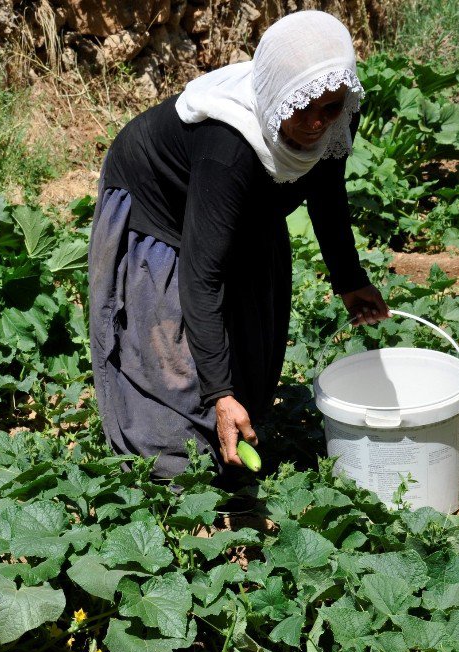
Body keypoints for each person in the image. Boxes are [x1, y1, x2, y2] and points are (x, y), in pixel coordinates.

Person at [88, 11, 387, 480]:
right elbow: (201, 277)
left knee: (247, 331)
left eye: (329, 109)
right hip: (160, 205)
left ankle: (233, 416)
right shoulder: (228, 144)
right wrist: (219, 395)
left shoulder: (334, 113)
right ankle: (170, 470)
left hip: (243, 200)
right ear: (274, 96)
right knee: (170, 370)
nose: (315, 123)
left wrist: (350, 280)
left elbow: (326, 191)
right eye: (302, 108)